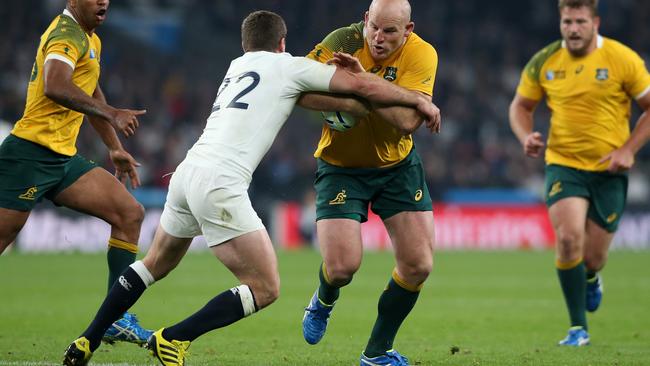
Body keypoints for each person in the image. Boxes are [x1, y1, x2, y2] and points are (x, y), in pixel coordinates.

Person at [62, 10, 440, 366]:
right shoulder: (289, 65)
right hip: (220, 183)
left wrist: (356, 106)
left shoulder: (236, 67)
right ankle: (175, 337)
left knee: (152, 265)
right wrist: (418, 101)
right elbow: (358, 84)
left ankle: (88, 338)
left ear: (246, 44)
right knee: (266, 287)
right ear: (282, 43)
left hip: (186, 174)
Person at [0, 0, 152, 345]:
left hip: (62, 159)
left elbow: (89, 91)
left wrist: (114, 146)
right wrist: (113, 112)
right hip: (28, 155)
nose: (103, 2)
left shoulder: (90, 38)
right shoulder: (66, 34)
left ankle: (115, 317)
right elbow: (55, 83)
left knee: (129, 213)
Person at [296, 0, 438, 364]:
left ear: (407, 30)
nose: (378, 37)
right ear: (365, 20)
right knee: (342, 268)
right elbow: (297, 89)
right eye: (374, 26)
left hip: (398, 166)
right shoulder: (342, 41)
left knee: (418, 265)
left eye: (390, 31)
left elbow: (407, 122)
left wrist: (359, 87)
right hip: (341, 166)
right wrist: (367, 94)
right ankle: (324, 298)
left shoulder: (422, 54)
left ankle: (377, 353)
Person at [509, 0, 650, 347]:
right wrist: (526, 135)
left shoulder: (622, 59)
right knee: (569, 238)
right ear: (561, 22)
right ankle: (577, 328)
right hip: (564, 164)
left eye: (580, 22)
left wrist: (628, 149)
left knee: (594, 257)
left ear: (595, 22)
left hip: (609, 170)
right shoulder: (545, 60)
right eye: (567, 21)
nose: (573, 28)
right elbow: (520, 106)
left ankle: (590, 277)